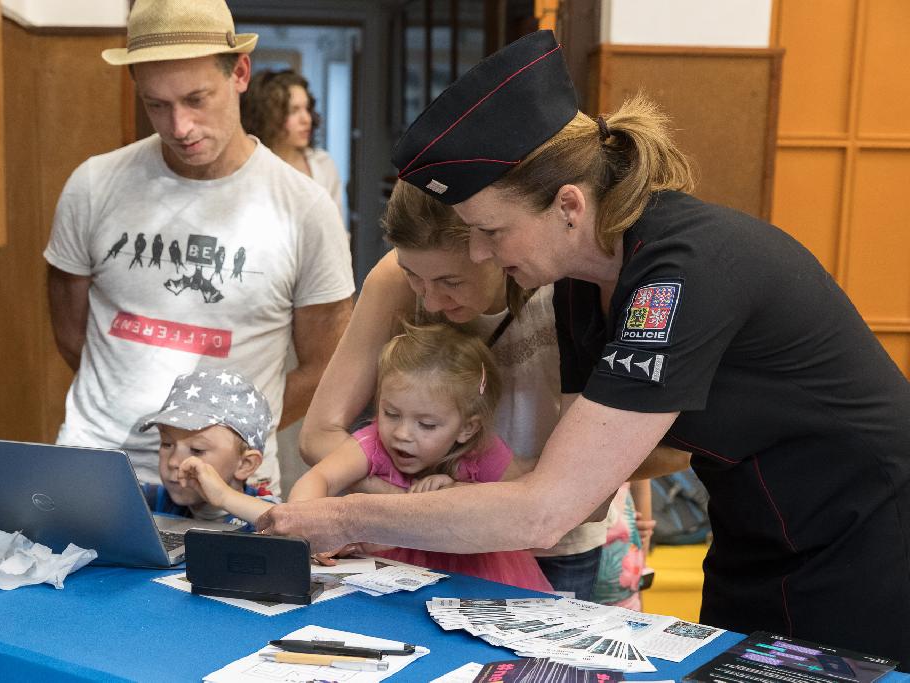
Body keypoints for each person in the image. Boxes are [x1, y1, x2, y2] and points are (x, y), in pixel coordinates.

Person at [260, 30, 910, 665]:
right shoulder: (580, 287)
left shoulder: (678, 274)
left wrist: (350, 517)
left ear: (568, 206)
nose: (479, 253)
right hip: (753, 535)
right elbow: (569, 472)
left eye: (491, 231)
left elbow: (549, 508)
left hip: (863, 539)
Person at [44, 0, 354, 495]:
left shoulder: (305, 208)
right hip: (97, 465)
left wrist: (228, 441)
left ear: (240, 73)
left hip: (230, 486)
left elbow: (325, 366)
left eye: (196, 99)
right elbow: (69, 332)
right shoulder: (93, 185)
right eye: (157, 105)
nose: (179, 126)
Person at [299, 183, 637, 599]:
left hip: (550, 541)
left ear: (493, 247)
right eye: (414, 277)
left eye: (450, 282)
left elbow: (587, 480)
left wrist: (435, 504)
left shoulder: (568, 286)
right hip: (415, 538)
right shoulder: (395, 278)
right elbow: (318, 436)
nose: (431, 301)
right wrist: (414, 504)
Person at [291, 322, 553, 592]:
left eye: (426, 425)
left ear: (467, 428)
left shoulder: (483, 453)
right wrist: (306, 532)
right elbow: (319, 477)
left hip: (478, 579)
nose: (402, 434)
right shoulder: (374, 443)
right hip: (388, 574)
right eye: (391, 414)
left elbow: (519, 506)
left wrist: (458, 492)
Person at [137, 371, 277, 531]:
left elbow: (286, 522)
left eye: (197, 450)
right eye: (167, 444)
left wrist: (224, 497)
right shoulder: (157, 499)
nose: (173, 462)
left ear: (245, 464)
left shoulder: (265, 508)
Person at [241, 69, 343, 212]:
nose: (306, 119)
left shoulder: (324, 164)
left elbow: (337, 223)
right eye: (293, 110)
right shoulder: (248, 169)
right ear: (267, 116)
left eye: (307, 108)